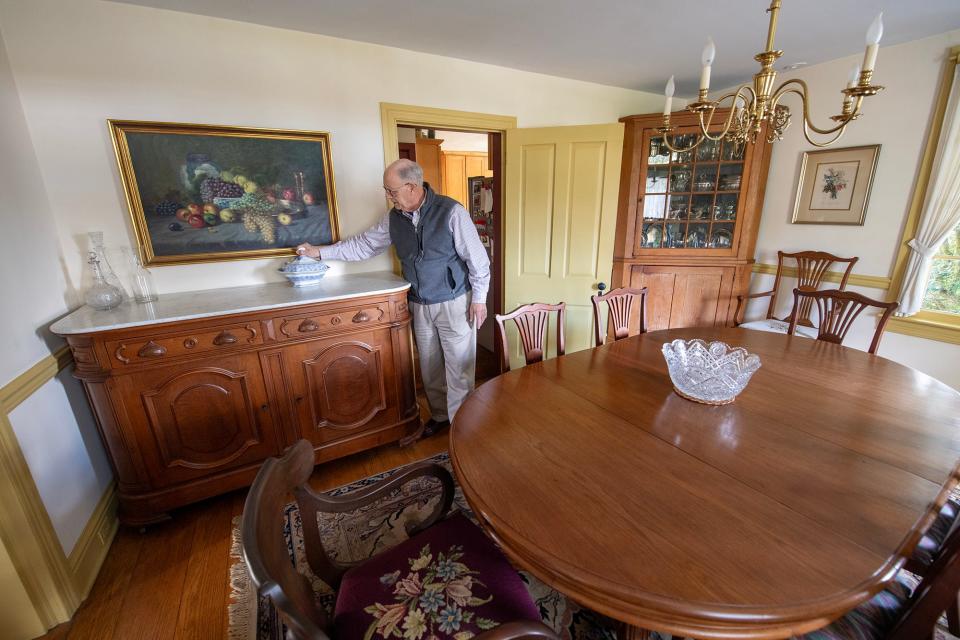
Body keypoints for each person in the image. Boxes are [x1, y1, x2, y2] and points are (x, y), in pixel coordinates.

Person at [297, 159, 490, 437]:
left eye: (391, 190)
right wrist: (320, 252)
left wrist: (479, 299)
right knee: (429, 366)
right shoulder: (394, 218)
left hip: (455, 301)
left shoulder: (451, 211)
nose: (388, 196)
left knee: (459, 368)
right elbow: (364, 246)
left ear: (411, 187)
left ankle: (463, 429)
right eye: (387, 190)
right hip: (420, 302)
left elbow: (478, 260)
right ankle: (440, 417)